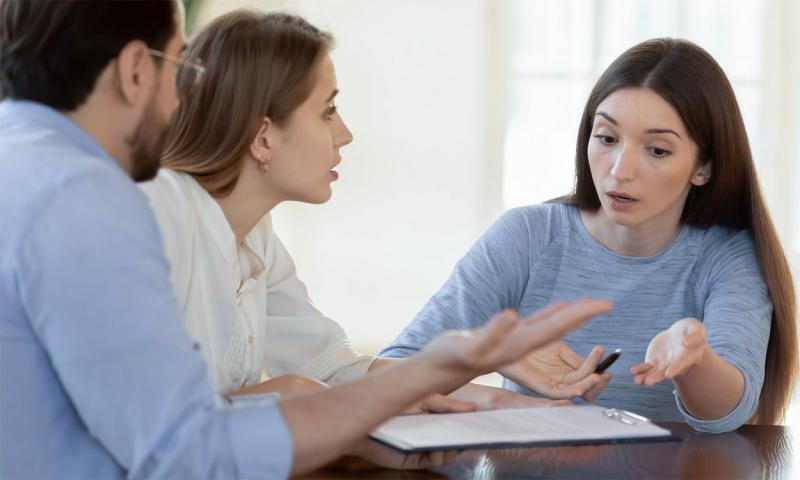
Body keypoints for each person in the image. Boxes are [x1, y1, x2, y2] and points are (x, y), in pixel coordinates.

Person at [0, 1, 613, 477]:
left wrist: (479, 398)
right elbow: (183, 450)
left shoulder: (40, 172)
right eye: (177, 64)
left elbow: (328, 373)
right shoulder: (106, 204)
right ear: (137, 69)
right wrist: (387, 389)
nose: (182, 92)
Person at [140, 10, 608, 407]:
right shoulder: (158, 215)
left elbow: (336, 370)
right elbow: (147, 420)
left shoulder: (255, 234)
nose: (344, 134)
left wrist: (489, 382)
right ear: (264, 137)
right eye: (327, 112)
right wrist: (287, 395)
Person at [381, 38, 798, 432]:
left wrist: (694, 360)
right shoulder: (527, 235)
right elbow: (388, 373)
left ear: (703, 166)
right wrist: (493, 359)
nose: (620, 170)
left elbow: (728, 414)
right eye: (607, 138)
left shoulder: (726, 256)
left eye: (657, 150)